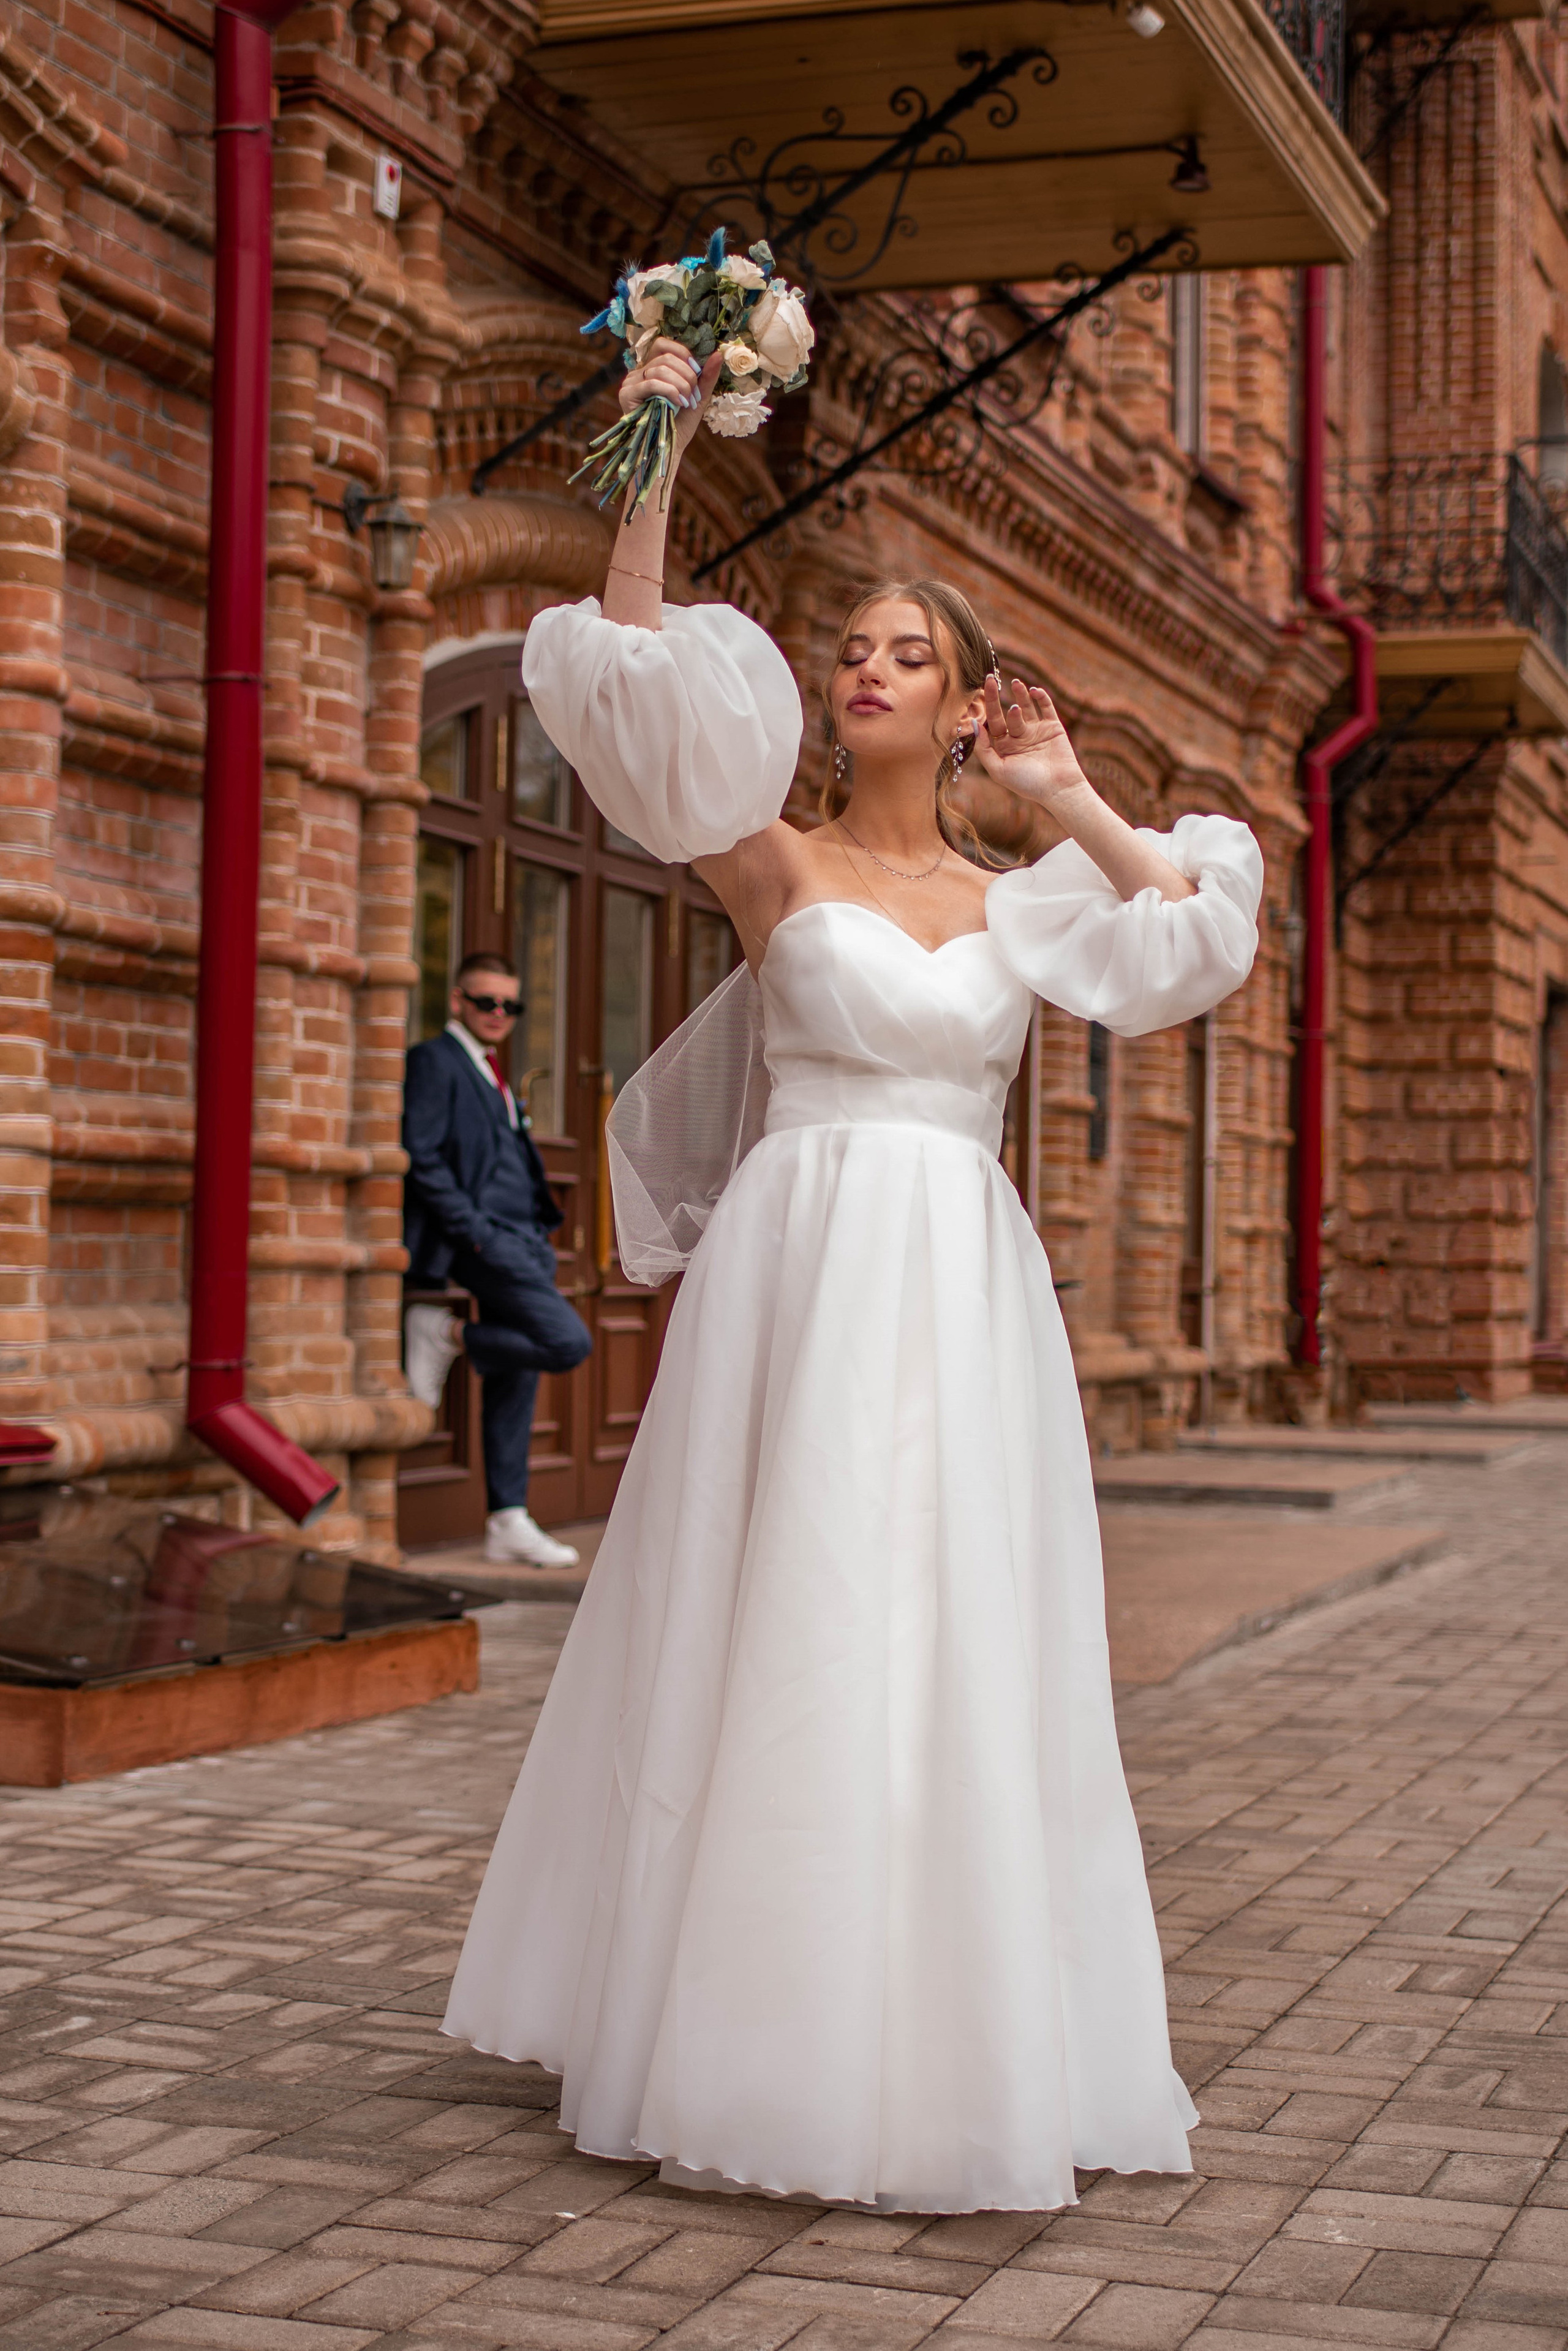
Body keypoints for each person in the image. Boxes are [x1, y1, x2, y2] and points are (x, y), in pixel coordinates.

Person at [442, 339, 1264, 2210]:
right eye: (853, 647)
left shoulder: (1021, 901)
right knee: (781, 1610)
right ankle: (735, 2018)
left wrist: (1060, 789)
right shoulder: (773, 861)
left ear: (966, 696)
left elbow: (1195, 923)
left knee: (943, 1622)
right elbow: (628, 669)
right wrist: (653, 437)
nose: (865, 667)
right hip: (797, 1275)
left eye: (907, 649)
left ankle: (949, 2028)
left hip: (957, 1289)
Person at [402, 950, 592, 1570]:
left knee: (518, 1377)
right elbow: (422, 1155)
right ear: (457, 1000)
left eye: (510, 1005)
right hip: (484, 1240)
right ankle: (445, 1332)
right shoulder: (434, 1061)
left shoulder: (494, 1071)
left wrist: (536, 1229)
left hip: (522, 1237)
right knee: (567, 1342)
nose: (498, 1014)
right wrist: (477, 1232)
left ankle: (507, 1519)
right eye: (485, 1002)